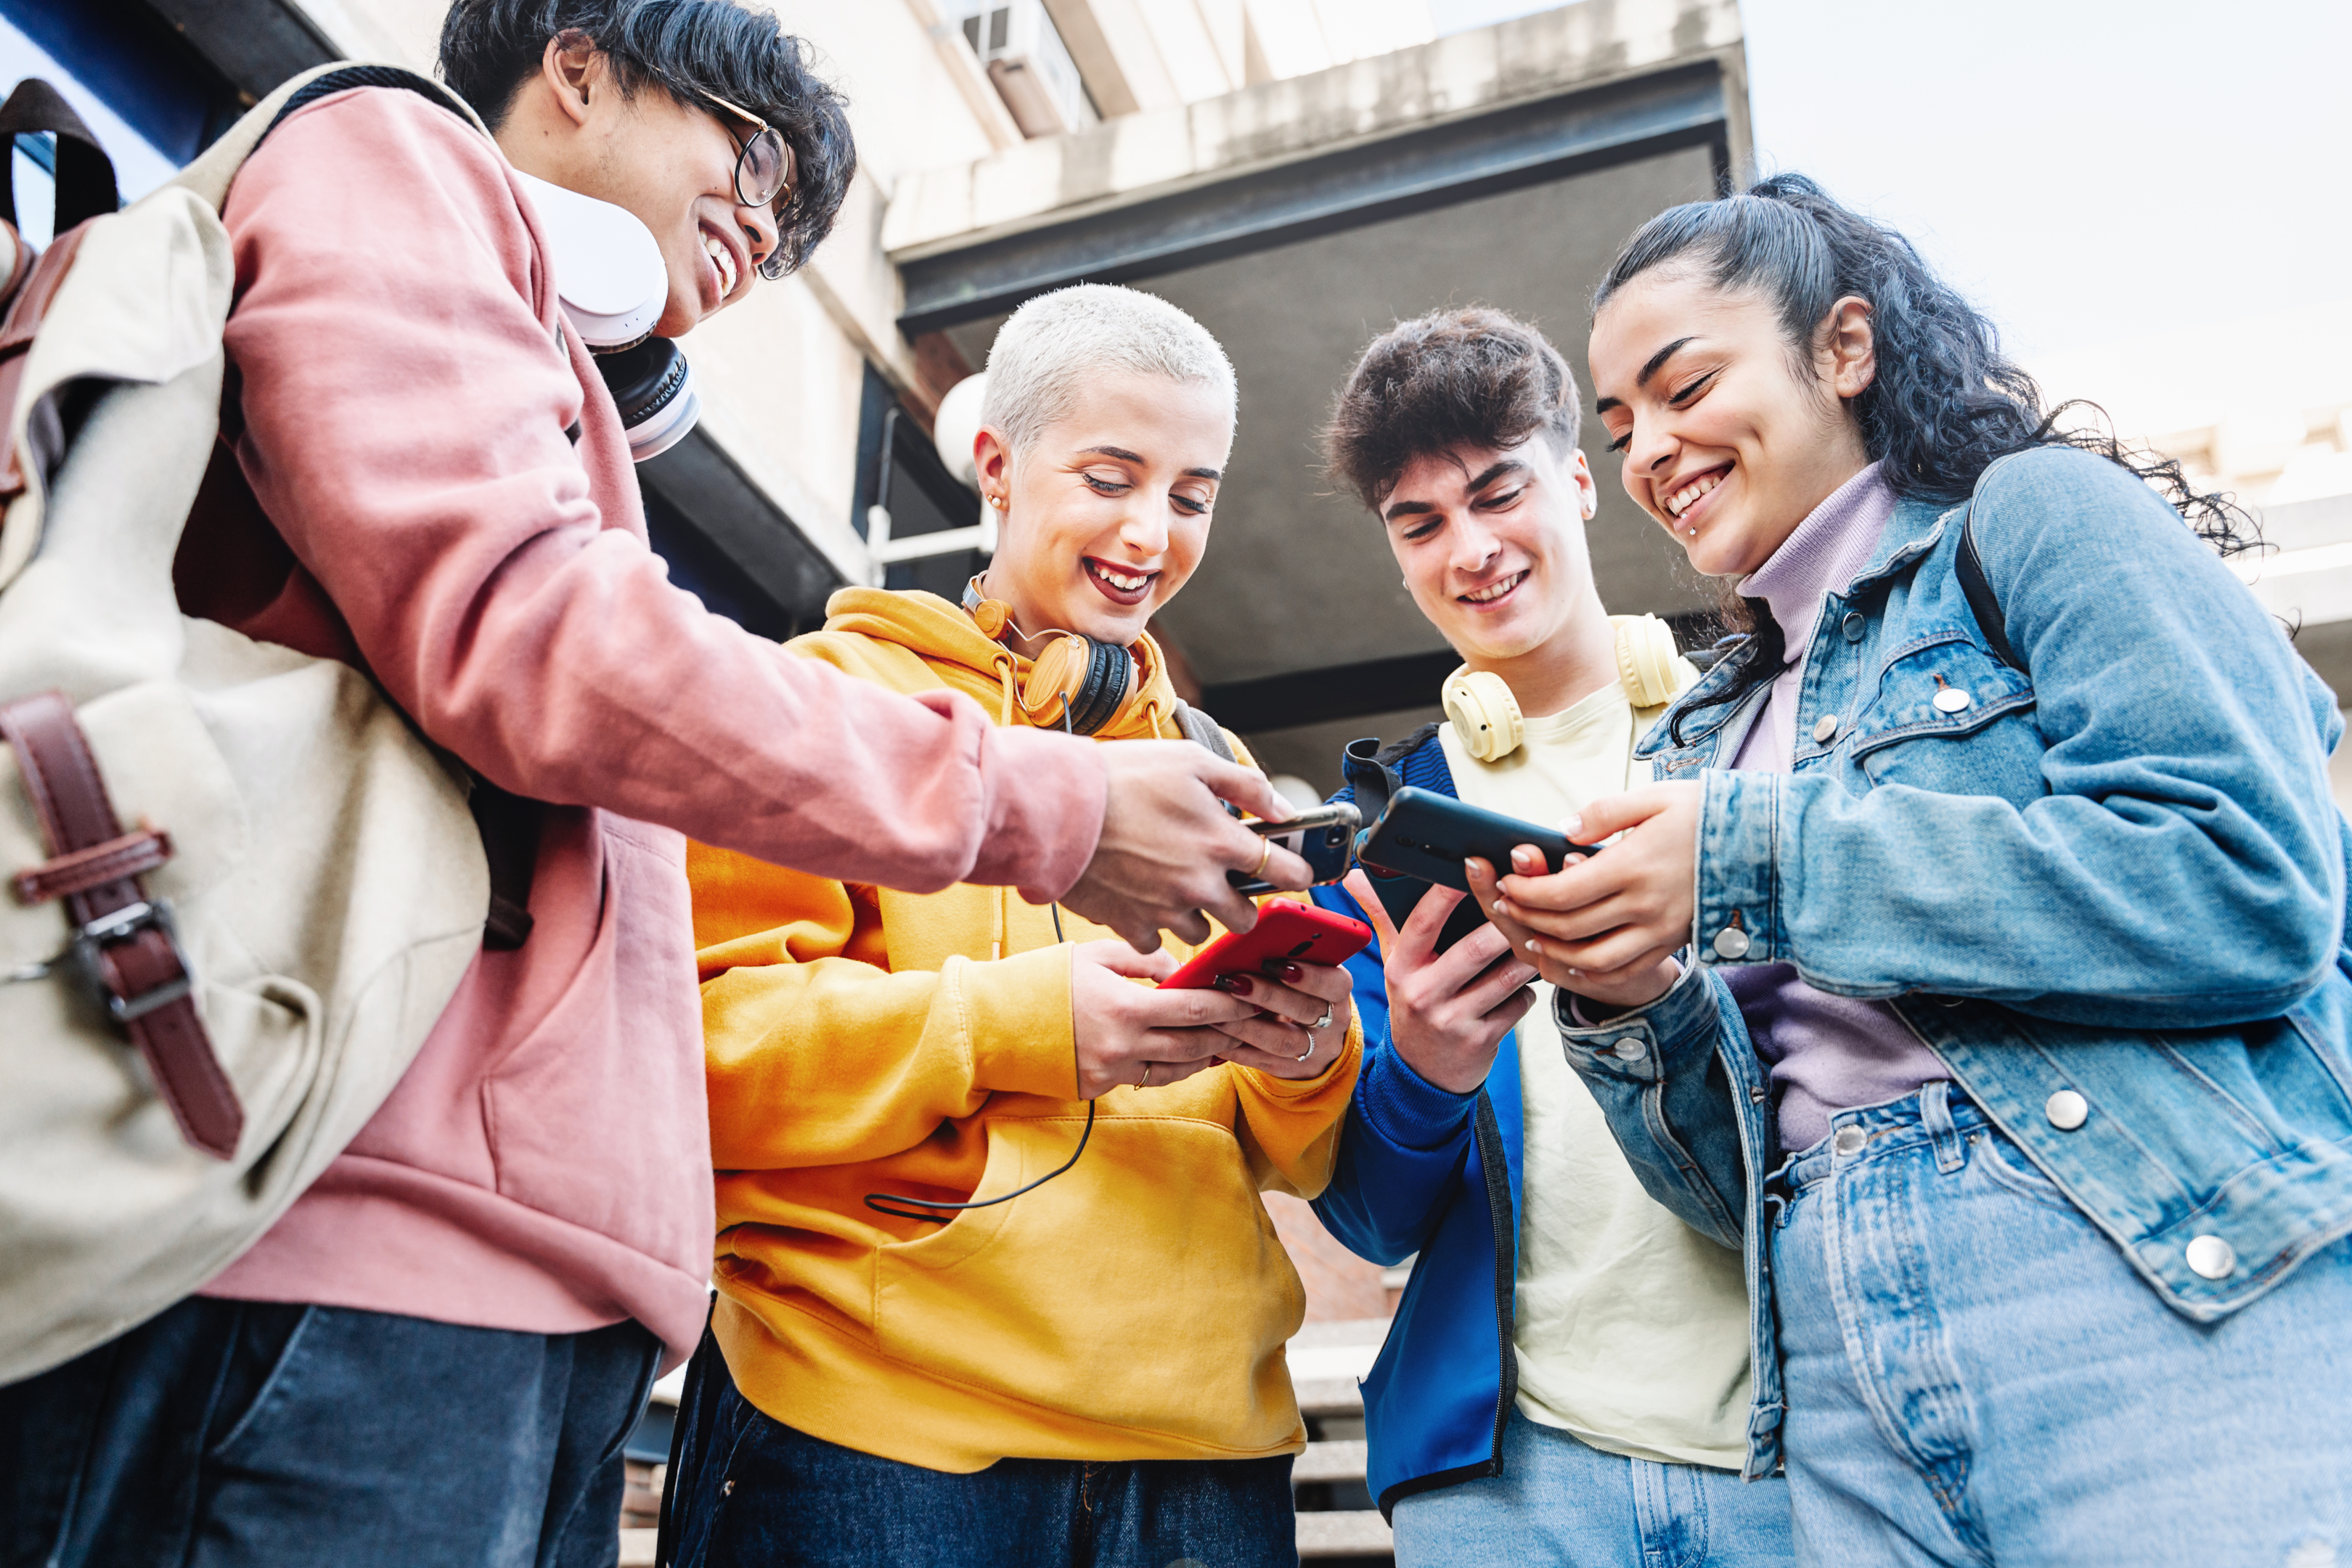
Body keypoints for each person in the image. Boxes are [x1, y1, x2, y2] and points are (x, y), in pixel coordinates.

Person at [0, 9, 1309, 1565]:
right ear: (576, 65)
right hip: (343, 1264)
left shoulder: (579, 416)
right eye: (750, 159)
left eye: (795, 221)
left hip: (528, 1298)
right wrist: (1053, 819)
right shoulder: (393, 155)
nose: (763, 230)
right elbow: (523, 627)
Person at [1473, 173, 2352, 1565]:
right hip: (1832, 1377)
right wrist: (1627, 1001)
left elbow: (2244, 882)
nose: (1650, 452)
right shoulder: (1705, 731)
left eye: (1686, 385)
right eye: (1626, 423)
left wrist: (1754, 855)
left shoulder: (2037, 520)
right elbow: (1726, 1189)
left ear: (1845, 349)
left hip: (2131, 1280)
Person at [664, 283, 1362, 1568]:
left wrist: (1306, 1055)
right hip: (881, 1439)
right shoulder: (829, 701)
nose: (1152, 532)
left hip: (1208, 1466)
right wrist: (1031, 1026)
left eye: (1193, 494)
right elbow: (706, 1056)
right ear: (995, 464)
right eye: (1112, 475)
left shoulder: (1219, 763)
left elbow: (1293, 1159)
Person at [1302, 308, 1795, 1567]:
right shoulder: (1382, 843)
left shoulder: (1766, 738)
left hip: (1798, 1443)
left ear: (1581, 481)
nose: (1469, 549)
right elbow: (1371, 1222)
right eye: (1421, 526)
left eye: (1495, 494)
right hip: (1511, 1482)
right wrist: (1423, 1071)